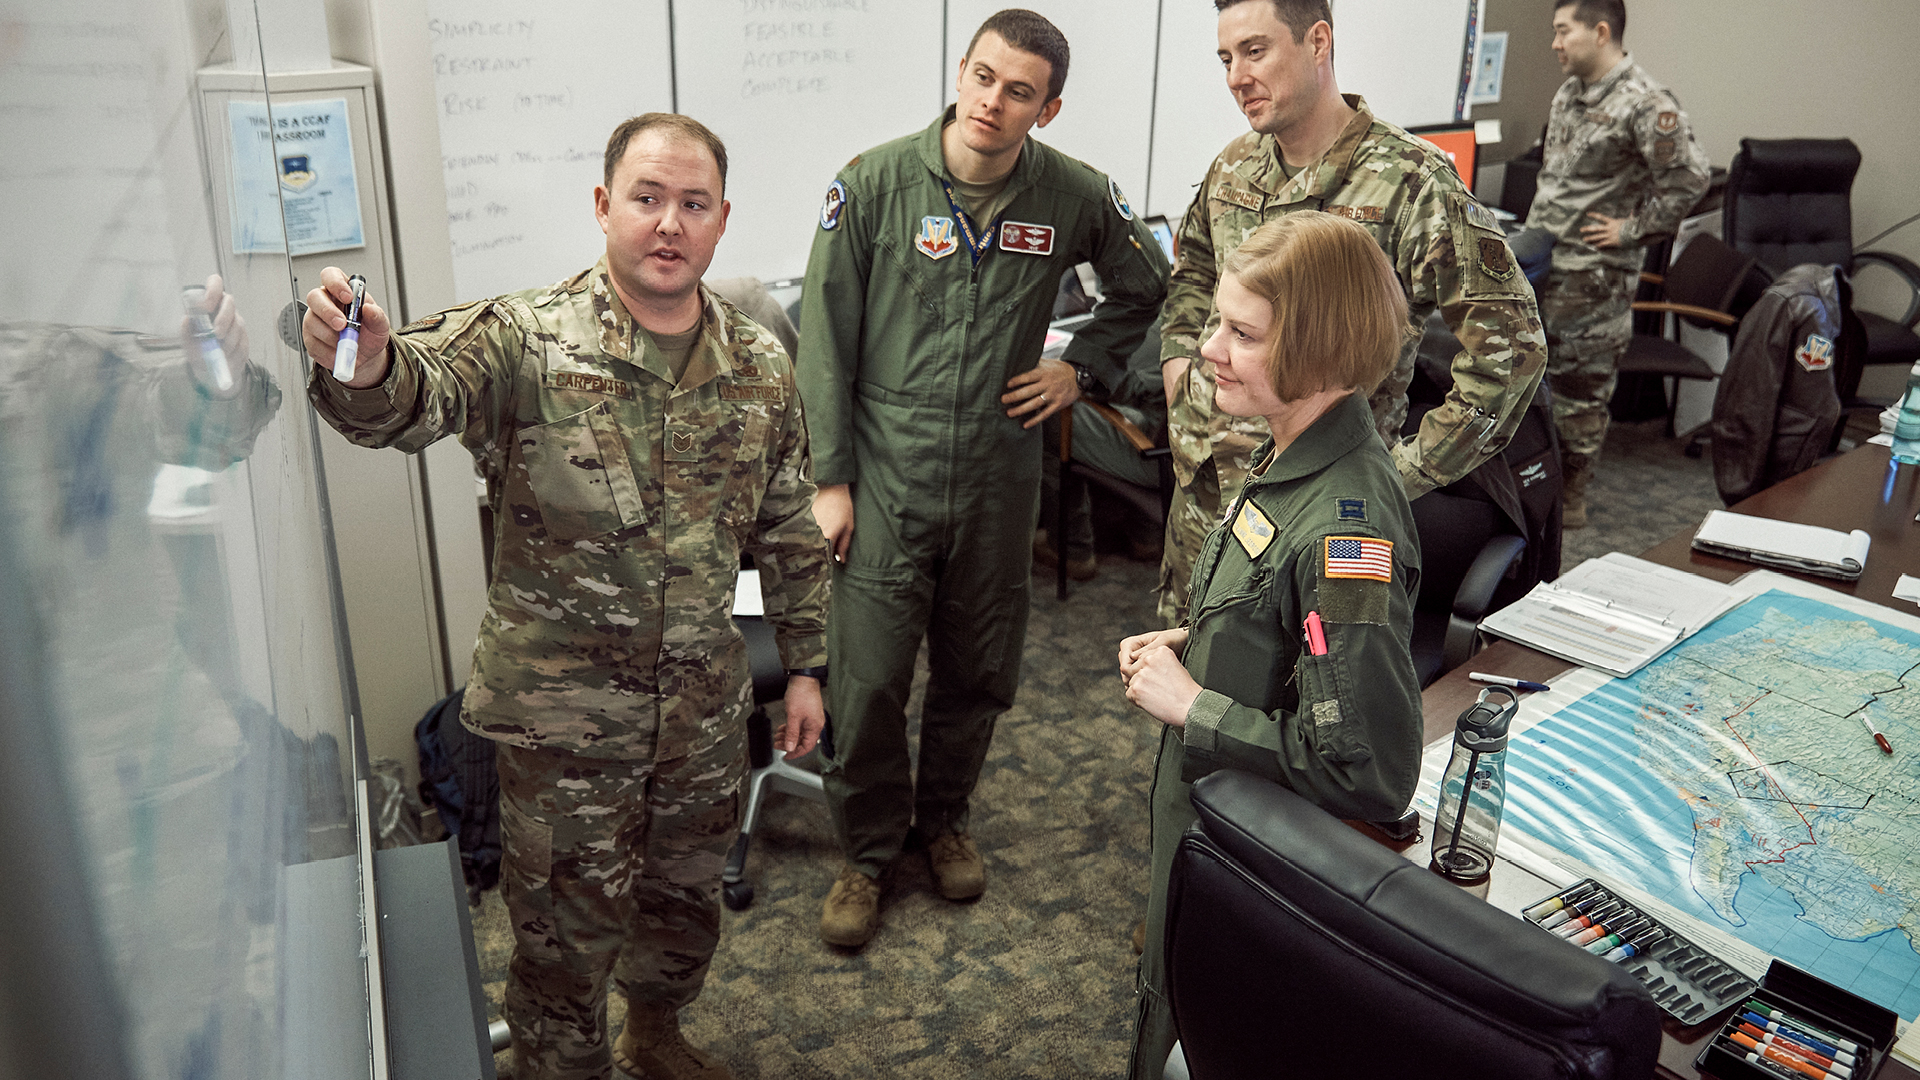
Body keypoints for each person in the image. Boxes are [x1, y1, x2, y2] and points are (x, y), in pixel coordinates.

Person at [301, 113, 832, 1080]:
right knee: (559, 942)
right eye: (646, 198)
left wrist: (807, 669)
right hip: (564, 729)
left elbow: (790, 523)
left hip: (699, 714)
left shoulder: (759, 365)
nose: (668, 223)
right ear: (603, 206)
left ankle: (657, 1034)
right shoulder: (524, 340)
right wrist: (368, 362)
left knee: (680, 913)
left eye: (692, 204)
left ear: (720, 222)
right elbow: (409, 393)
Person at [797, 8, 1169, 950]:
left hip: (1001, 476)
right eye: (983, 77)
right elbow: (823, 343)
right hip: (888, 469)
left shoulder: (1073, 195)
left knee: (980, 667)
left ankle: (945, 819)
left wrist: (1079, 370)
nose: (992, 103)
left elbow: (1150, 289)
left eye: (1018, 92)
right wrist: (830, 478)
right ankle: (869, 852)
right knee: (871, 678)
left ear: (1048, 109)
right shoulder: (874, 184)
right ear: (960, 70)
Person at [1117, 211, 1424, 1079]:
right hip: (1210, 829)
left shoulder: (1345, 532)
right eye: (1219, 321)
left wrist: (1192, 704)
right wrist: (1205, 641)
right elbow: (1287, 626)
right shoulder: (1291, 451)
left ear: (1322, 353)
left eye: (1241, 333)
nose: (1210, 349)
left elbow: (1366, 772)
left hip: (1253, 858)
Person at [1157, 0, 1547, 624]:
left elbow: (1513, 351)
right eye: (1226, 59)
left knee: (1299, 696)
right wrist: (1180, 362)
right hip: (1206, 491)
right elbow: (1195, 268)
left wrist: (1402, 474)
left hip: (1316, 512)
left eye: (1255, 51)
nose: (1235, 77)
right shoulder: (1234, 166)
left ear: (1317, 42)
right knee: (1189, 670)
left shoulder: (1410, 184)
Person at [1528, 0, 1710, 527]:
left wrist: (1631, 230)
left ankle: (1571, 504)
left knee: (1580, 390)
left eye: (1564, 31)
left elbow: (1691, 178)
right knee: (1542, 379)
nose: (1555, 43)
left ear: (1600, 31)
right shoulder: (1570, 93)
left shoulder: (1645, 103)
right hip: (1549, 262)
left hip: (1595, 277)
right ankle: (1539, 490)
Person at [1036, 316, 1172, 580]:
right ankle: (1147, 536)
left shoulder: (1171, 322)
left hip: (1160, 461)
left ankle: (1073, 548)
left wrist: (1074, 372)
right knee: (1151, 406)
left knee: (1050, 410)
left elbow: (1115, 383)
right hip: (1190, 458)